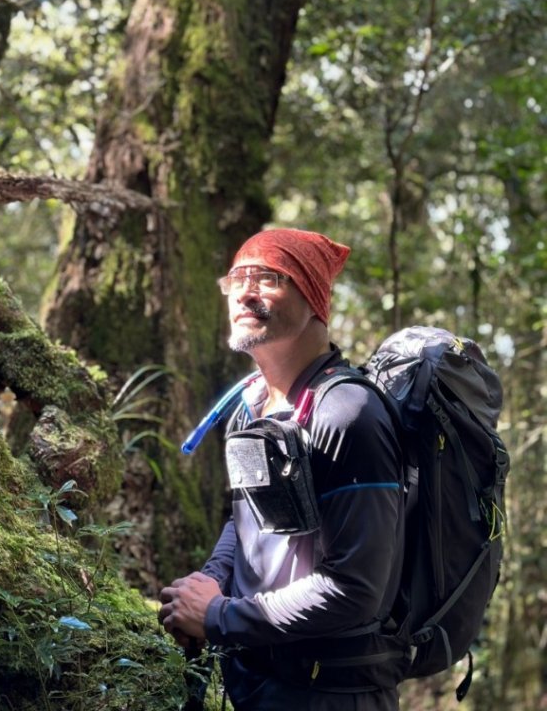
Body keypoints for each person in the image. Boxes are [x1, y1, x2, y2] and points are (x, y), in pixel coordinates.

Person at [159, 228, 406, 710]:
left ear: (313, 297)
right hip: (257, 683)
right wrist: (208, 584)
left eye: (269, 278)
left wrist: (217, 617)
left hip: (332, 693)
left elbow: (356, 590)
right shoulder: (249, 409)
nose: (245, 292)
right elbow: (244, 522)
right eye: (236, 279)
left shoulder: (348, 413)